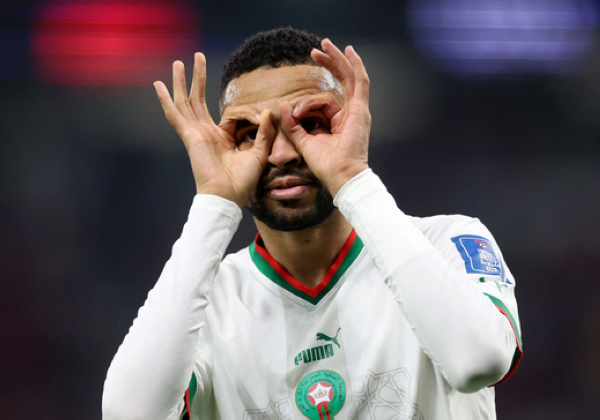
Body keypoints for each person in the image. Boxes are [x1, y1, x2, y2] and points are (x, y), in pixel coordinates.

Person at [102, 27, 522, 420]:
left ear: (350, 126)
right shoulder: (201, 303)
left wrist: (352, 177)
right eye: (250, 134)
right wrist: (214, 200)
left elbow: (478, 362)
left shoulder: (448, 241)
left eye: (310, 124)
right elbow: (130, 413)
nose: (281, 154)